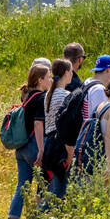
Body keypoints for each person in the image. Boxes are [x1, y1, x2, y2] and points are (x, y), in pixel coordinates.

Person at [7, 63, 51, 219]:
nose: (51, 80)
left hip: (21, 148)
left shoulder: (27, 96)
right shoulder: (40, 97)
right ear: (40, 79)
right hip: (34, 147)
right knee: (48, 186)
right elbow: (38, 124)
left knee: (21, 188)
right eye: (48, 77)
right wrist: (41, 149)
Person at [76, 75, 110, 190]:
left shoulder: (101, 106)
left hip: (101, 154)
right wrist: (109, 163)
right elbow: (108, 136)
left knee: (106, 195)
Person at [41, 58, 75, 200]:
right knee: (59, 190)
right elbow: (66, 126)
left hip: (49, 142)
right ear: (67, 72)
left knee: (54, 188)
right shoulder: (65, 95)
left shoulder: (49, 95)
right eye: (71, 71)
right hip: (60, 144)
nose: (72, 74)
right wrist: (69, 154)